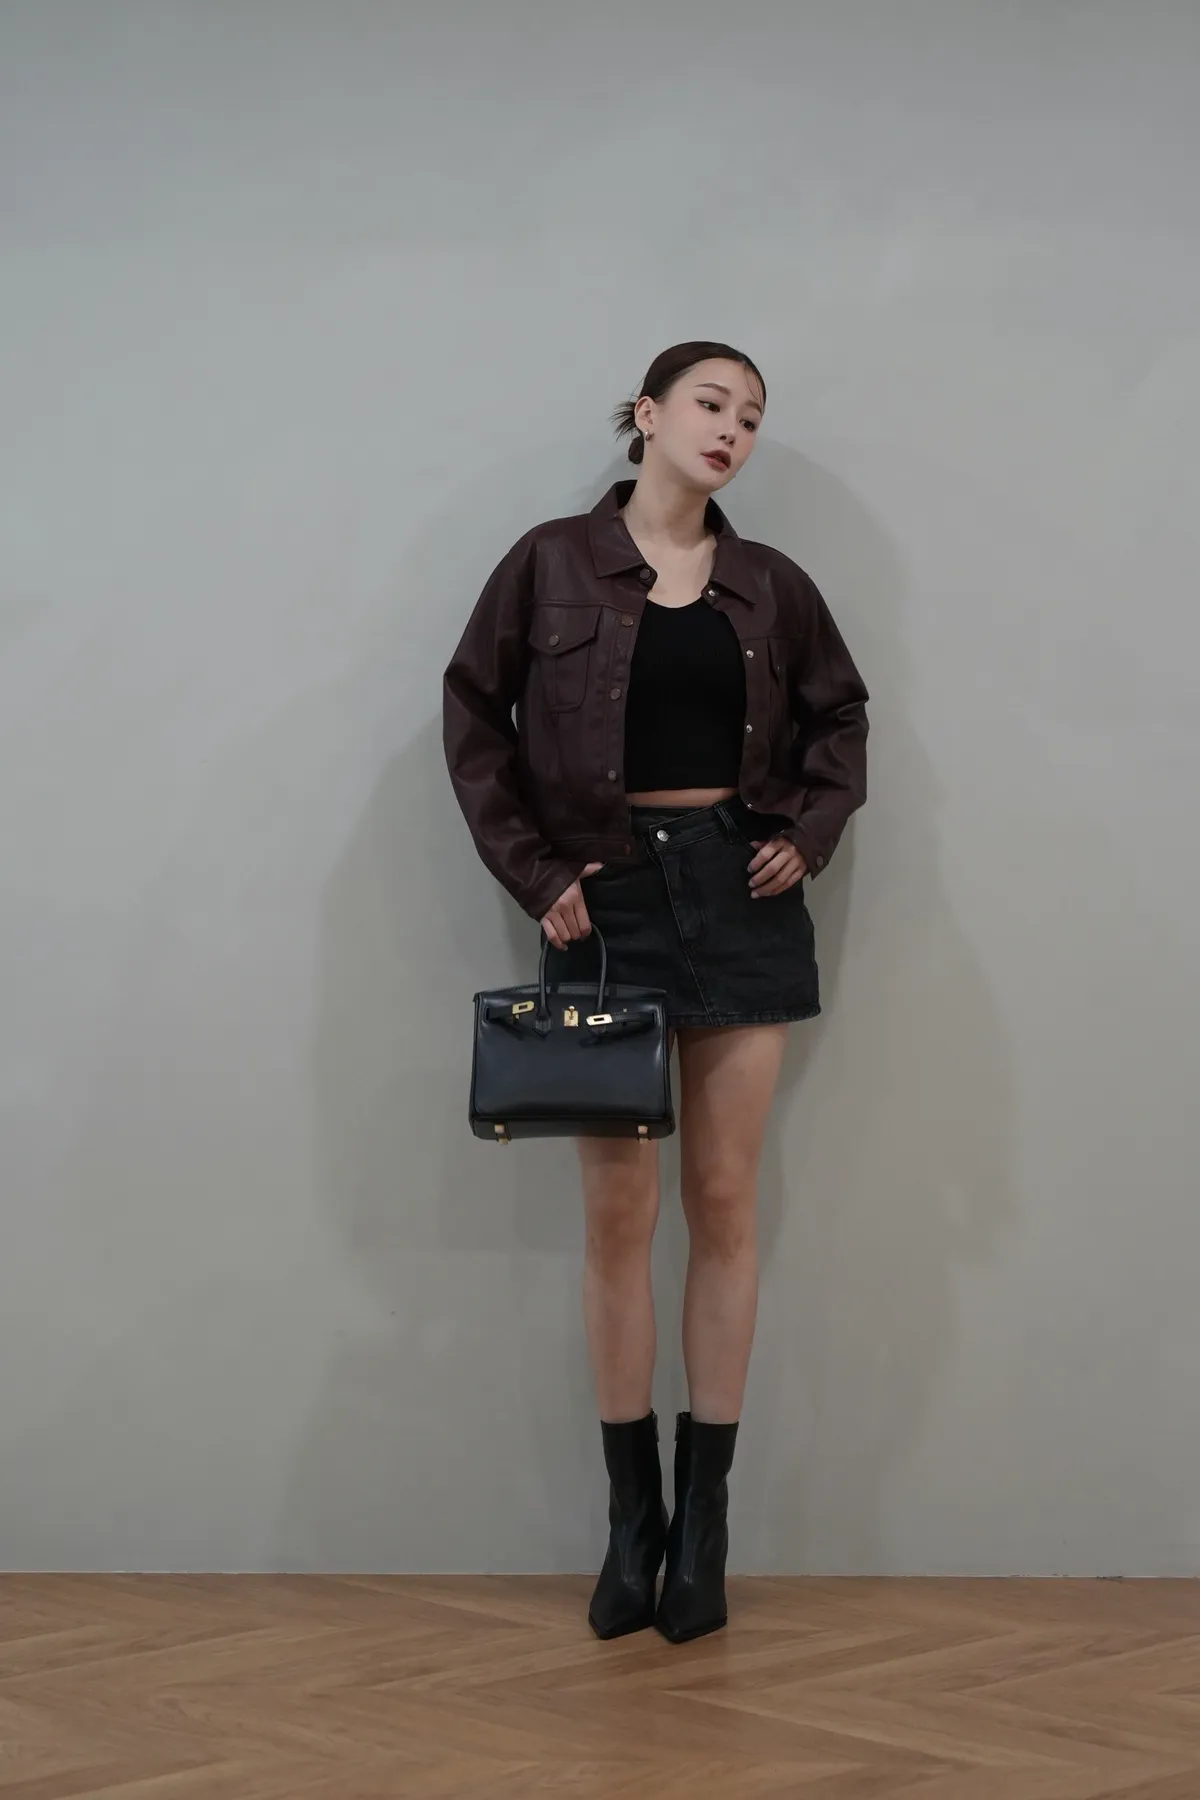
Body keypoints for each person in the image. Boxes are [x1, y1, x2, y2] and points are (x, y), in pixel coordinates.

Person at [443, 341, 869, 1643]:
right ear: (648, 414)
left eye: (751, 416)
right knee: (618, 1222)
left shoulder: (772, 586)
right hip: (605, 904)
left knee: (725, 1204)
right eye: (710, 403)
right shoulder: (549, 565)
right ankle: (633, 1524)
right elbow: (473, 720)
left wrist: (807, 828)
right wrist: (537, 875)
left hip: (740, 900)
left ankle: (707, 1528)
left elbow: (839, 721)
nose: (732, 428)